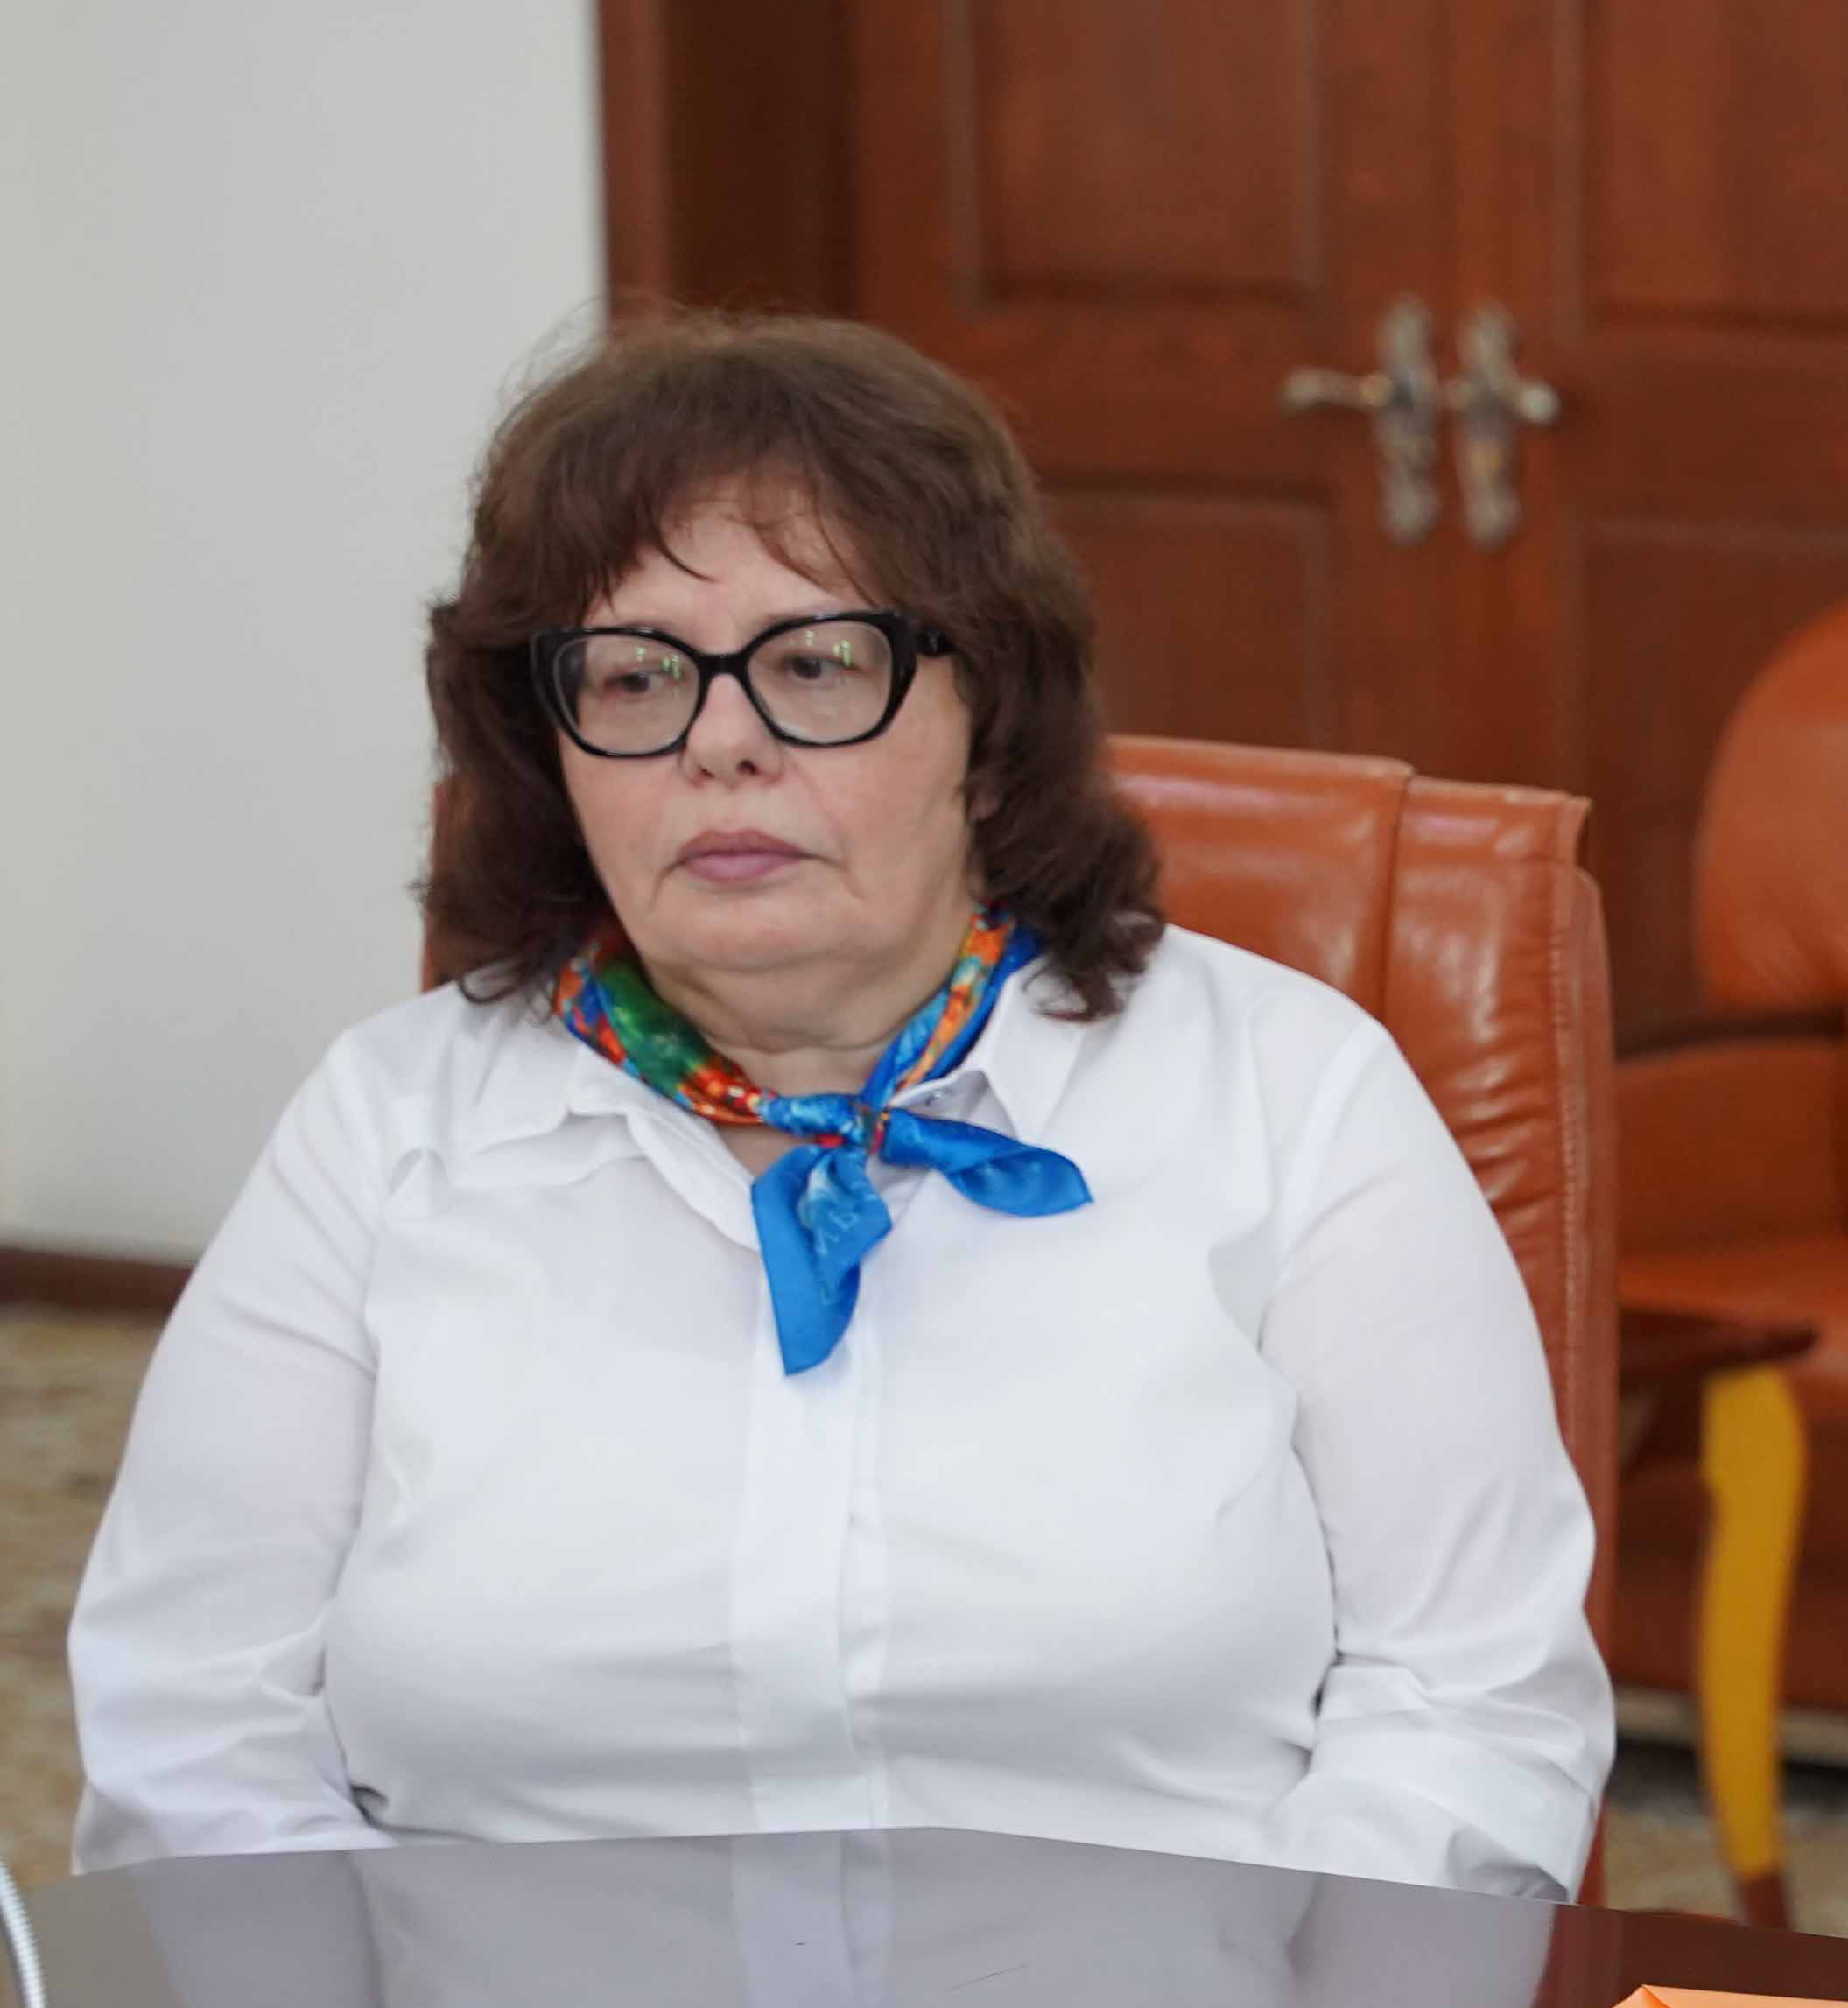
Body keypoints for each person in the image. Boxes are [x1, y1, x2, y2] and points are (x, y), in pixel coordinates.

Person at [71, 314, 1607, 1899]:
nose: (720, 743)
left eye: (815, 665)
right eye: (636, 676)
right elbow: (193, 1729)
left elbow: (1470, 1704)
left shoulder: (1288, 1091)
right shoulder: (387, 1127)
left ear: (988, 735)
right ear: (554, 754)